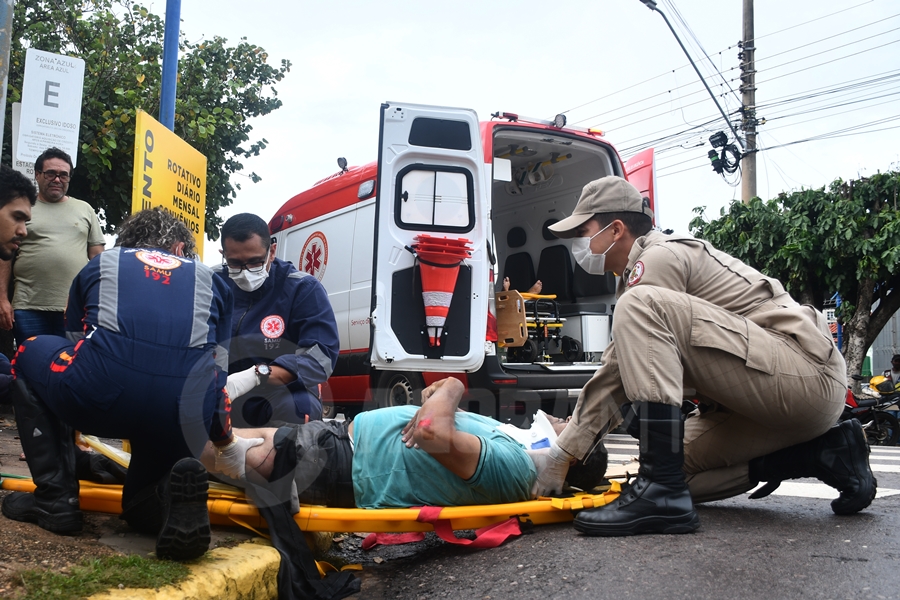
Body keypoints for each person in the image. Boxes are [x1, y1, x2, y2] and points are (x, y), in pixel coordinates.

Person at [528, 175, 874, 537]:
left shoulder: (659, 257)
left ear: (615, 230)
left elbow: (615, 373)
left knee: (639, 307)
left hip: (806, 377)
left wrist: (562, 453)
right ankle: (824, 453)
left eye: (583, 232)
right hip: (765, 404)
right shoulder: (636, 278)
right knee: (676, 473)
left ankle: (659, 489)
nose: (578, 245)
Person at [1, 208, 261, 561]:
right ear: (181, 248)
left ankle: (55, 500)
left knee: (31, 352)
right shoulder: (212, 281)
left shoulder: (102, 264)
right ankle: (166, 496)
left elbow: (76, 345)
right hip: (182, 414)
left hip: (101, 397)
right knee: (138, 503)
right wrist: (224, 443)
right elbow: (215, 375)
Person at [199, 377, 606, 509]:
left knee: (201, 447)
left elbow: (430, 431)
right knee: (202, 445)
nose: (564, 419)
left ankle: (156, 469)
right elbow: (431, 410)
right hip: (337, 443)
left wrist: (452, 387)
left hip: (338, 463)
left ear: (568, 457)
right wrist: (443, 397)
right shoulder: (514, 448)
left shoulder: (515, 470)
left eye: (571, 425)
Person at [217, 214, 339, 426]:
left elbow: (320, 358)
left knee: (298, 406)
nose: (245, 272)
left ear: (272, 252)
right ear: (224, 255)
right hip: (220, 390)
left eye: (255, 262)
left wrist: (256, 376)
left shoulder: (302, 289)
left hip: (277, 392)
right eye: (235, 264)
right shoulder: (213, 285)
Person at [0, 148, 106, 343]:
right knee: (30, 362)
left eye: (63, 175)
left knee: (69, 365)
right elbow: (5, 256)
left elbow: (98, 259)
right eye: (51, 173)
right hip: (28, 306)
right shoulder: (23, 207)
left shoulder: (85, 209)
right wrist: (2, 298)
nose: (57, 179)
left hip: (74, 308)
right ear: (38, 175)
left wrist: (97, 303)